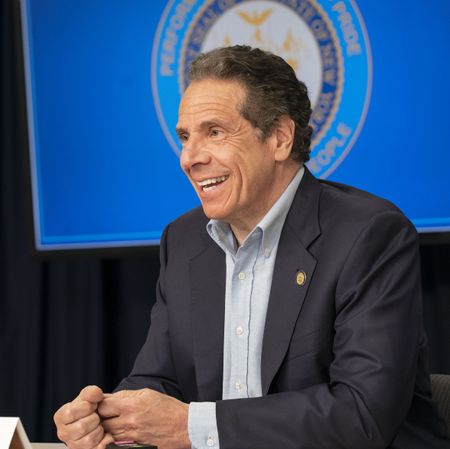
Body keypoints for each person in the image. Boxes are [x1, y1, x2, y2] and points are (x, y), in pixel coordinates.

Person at [54, 46, 449, 449]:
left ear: (279, 138)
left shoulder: (369, 234)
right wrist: (104, 418)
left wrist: (190, 426)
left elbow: (362, 415)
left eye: (215, 132)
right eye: (186, 137)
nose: (189, 158)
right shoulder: (185, 239)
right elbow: (160, 381)